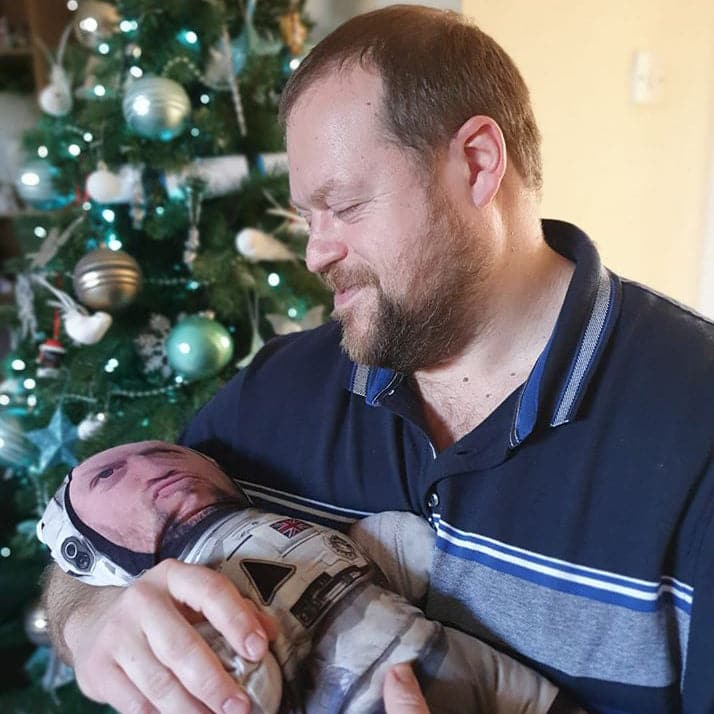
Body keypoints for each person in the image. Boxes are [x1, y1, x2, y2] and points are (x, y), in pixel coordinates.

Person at [42, 5, 714, 714]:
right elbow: (91, 552)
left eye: (344, 206)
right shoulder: (278, 392)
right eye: (307, 217)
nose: (315, 253)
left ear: (478, 163)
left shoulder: (695, 432)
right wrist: (96, 623)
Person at [38, 440, 582, 714]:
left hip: (458, 656)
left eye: (162, 452)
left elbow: (369, 554)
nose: (154, 466)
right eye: (110, 476)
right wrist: (99, 621)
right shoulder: (239, 414)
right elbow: (80, 608)